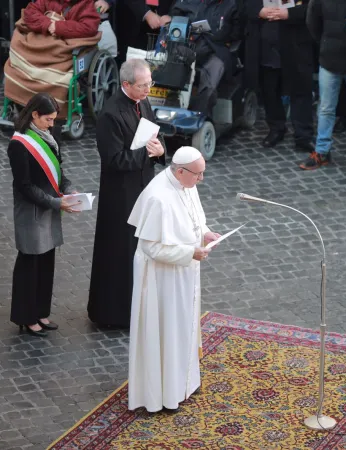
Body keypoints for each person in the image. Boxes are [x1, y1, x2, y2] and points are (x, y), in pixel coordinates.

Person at [127, 146, 221, 413]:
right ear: (180, 171)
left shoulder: (186, 184)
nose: (201, 179)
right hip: (161, 278)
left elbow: (194, 219)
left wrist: (206, 234)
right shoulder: (158, 197)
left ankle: (184, 382)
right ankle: (163, 394)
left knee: (183, 326)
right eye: (198, 174)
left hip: (184, 272)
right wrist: (190, 252)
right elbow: (151, 247)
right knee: (165, 330)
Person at [88, 58, 167, 328]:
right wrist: (146, 153)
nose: (148, 90)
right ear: (126, 84)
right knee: (121, 253)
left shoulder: (142, 102)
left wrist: (160, 151)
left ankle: (141, 305)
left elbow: (154, 134)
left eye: (150, 84)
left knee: (142, 249)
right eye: (143, 85)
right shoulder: (110, 114)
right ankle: (116, 314)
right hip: (120, 197)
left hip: (144, 188)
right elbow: (114, 160)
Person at [8, 93, 81, 337]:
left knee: (46, 264)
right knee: (30, 265)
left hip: (50, 207)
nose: (52, 124)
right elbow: (25, 186)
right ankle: (25, 317)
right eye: (48, 119)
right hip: (32, 212)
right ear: (34, 115)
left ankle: (40, 311)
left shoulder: (49, 137)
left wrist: (70, 191)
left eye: (53, 119)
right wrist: (56, 202)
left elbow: (59, 172)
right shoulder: (19, 145)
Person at [299, 0, 346, 173]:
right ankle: (322, 151)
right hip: (330, 60)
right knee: (326, 108)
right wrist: (326, 44)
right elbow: (312, 22)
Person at [244, 0, 315, 151]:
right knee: (270, 90)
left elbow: (313, 7)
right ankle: (277, 128)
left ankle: (303, 135)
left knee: (301, 89)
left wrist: (290, 14)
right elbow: (245, 4)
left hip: (296, 42)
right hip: (267, 43)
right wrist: (259, 11)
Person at [164, 0, 243, 116]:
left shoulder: (231, 5)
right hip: (189, 45)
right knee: (176, 59)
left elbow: (236, 32)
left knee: (211, 74)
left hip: (216, 49)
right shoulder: (186, 2)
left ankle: (200, 115)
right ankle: (171, 107)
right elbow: (175, 18)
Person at [22, 0, 101, 39]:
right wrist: (48, 25)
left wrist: (58, 27)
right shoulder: (47, 1)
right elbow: (30, 12)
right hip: (44, 43)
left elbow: (89, 28)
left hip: (67, 50)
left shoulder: (85, 4)